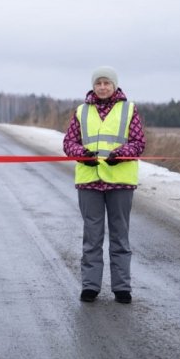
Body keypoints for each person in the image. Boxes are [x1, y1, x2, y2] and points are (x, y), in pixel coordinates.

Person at [63, 66, 146, 304]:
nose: (102, 87)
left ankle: (122, 287)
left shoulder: (129, 109)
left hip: (120, 181)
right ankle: (90, 285)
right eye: (98, 83)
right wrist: (82, 154)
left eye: (106, 83)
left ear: (114, 85)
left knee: (120, 236)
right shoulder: (81, 111)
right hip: (90, 182)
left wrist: (121, 153)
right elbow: (69, 142)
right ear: (93, 86)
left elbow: (139, 142)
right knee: (92, 236)